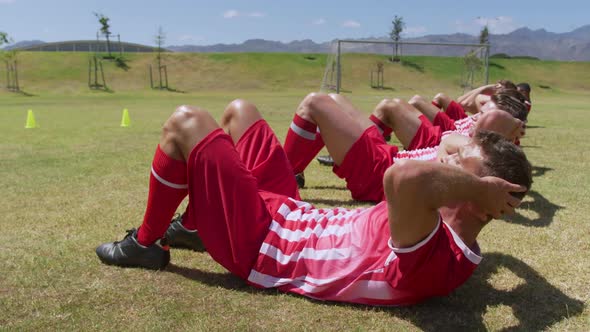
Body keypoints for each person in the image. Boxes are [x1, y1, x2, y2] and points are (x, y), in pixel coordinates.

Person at [96, 99, 533, 306]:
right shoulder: (442, 218)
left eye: (459, 164)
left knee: (185, 123)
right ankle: (195, 225)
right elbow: (457, 144)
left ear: (486, 199)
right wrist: (472, 170)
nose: (447, 153)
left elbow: (402, 176)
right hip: (288, 213)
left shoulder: (441, 257)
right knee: (239, 111)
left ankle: (146, 245)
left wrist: (481, 189)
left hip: (263, 244)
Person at [285, 92, 526, 200]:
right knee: (334, 99)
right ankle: (294, 169)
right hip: (392, 157)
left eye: (484, 114)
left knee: (314, 103)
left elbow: (491, 120)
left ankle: (280, 177)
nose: (477, 115)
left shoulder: (487, 154)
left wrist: (516, 122)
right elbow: (448, 139)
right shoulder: (474, 145)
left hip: (380, 175)